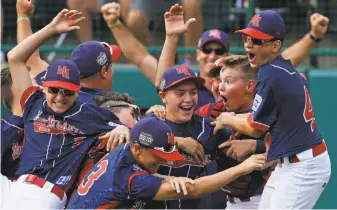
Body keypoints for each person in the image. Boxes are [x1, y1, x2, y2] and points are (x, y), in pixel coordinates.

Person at [3, 9, 129, 209]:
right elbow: (15, 57)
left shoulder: (90, 113)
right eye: (54, 90)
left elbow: (129, 132)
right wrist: (52, 29)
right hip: (13, 186)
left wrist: (122, 128)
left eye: (68, 92)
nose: (60, 97)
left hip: (46, 195)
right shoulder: (33, 101)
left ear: (77, 91)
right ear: (44, 87)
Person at [101, 2, 330, 107]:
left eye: (218, 50)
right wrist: (114, 24)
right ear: (198, 54)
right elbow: (141, 57)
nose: (212, 54)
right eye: (207, 49)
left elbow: (283, 59)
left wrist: (313, 36)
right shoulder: (184, 79)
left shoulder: (242, 78)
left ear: (227, 55)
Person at [212, 10, 331, 209]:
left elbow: (254, 128)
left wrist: (228, 118)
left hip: (304, 165)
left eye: (257, 40)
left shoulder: (270, 74)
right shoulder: (279, 66)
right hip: (289, 161)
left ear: (275, 45)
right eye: (246, 37)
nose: (249, 43)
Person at [67, 117, 267, 209]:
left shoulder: (124, 149)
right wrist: (243, 168)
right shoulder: (135, 179)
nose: (162, 161)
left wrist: (167, 177)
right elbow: (194, 190)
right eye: (157, 156)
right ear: (138, 149)